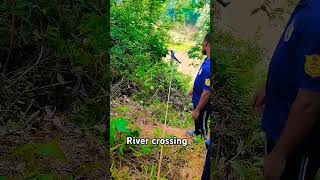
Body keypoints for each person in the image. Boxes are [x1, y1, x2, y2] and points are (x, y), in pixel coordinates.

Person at [251, 0, 320, 179]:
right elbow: (293, 54)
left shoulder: (317, 20)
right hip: (280, 127)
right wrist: (270, 85)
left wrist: (280, 154)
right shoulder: (309, 5)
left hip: (297, 143)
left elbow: (310, 103)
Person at [186, 32, 212, 140]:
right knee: (198, 119)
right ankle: (197, 132)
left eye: (203, 42)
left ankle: (203, 139)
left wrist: (197, 109)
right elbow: (201, 78)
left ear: (206, 43)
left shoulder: (209, 67)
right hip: (197, 99)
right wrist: (194, 89)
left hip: (204, 104)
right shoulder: (206, 61)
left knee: (202, 120)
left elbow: (206, 93)